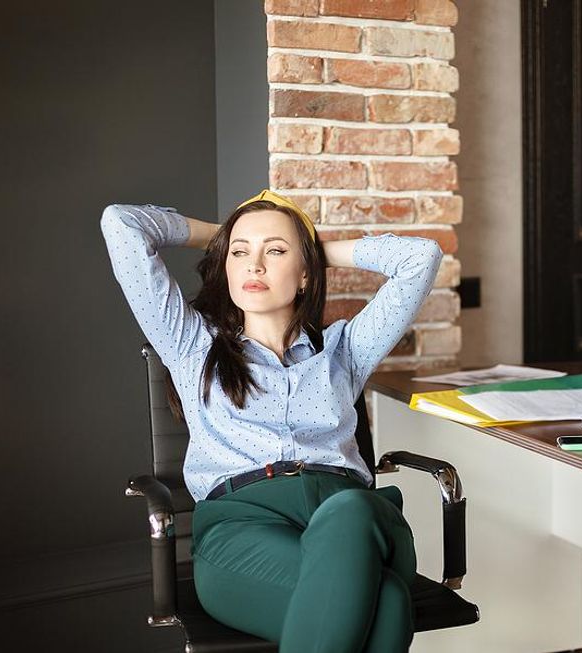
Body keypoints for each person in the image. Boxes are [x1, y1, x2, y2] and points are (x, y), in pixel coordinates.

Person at [101, 190, 443, 652]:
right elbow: (121, 225)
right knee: (389, 601)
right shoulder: (191, 346)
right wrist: (219, 237)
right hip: (242, 531)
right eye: (240, 253)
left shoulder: (345, 350)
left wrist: (316, 250)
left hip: (351, 518)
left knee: (352, 510)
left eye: (276, 251)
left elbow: (421, 257)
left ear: (304, 274)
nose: (254, 265)